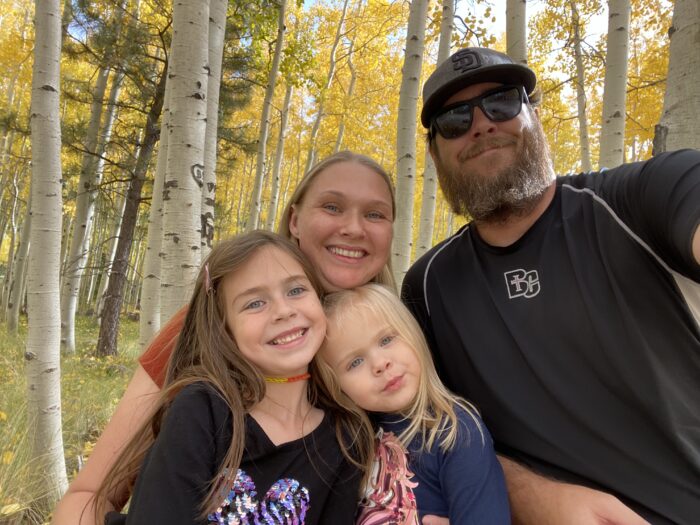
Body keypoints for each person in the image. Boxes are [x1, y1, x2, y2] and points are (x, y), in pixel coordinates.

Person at [402, 47, 700, 525]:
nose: (481, 124)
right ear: (435, 151)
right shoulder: (428, 288)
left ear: (534, 116)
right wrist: (534, 496)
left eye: (501, 102)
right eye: (454, 119)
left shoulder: (639, 201)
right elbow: (425, 429)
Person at [52, 151, 402, 524]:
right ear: (295, 220)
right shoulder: (206, 338)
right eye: (332, 206)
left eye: (375, 214)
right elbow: (90, 495)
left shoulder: (399, 348)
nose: (353, 227)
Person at [99, 230, 372, 524]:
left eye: (295, 291)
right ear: (224, 329)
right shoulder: (202, 411)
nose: (283, 311)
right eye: (254, 303)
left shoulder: (346, 438)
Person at [319, 283, 510, 524]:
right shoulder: (351, 436)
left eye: (387, 339)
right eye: (355, 362)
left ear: (413, 334)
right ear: (337, 387)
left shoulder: (456, 432)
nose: (380, 363)